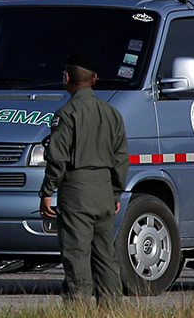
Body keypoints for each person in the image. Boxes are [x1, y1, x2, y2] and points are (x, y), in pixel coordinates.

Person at [38, 52, 129, 303]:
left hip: (77, 193)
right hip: (103, 193)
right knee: (105, 257)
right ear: (95, 79)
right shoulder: (112, 113)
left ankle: (78, 308)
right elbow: (121, 157)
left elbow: (58, 157)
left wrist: (47, 191)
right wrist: (115, 192)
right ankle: (111, 307)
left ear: (67, 78)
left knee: (77, 256)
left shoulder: (66, 113)